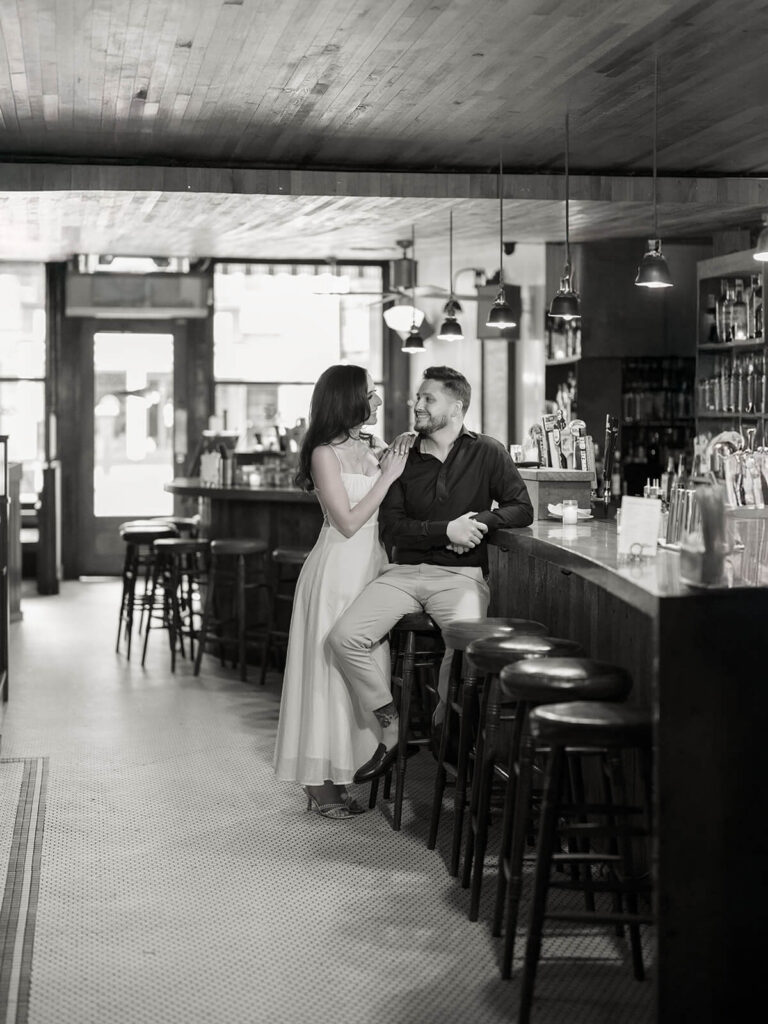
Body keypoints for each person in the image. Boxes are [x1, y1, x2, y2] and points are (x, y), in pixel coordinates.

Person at [327, 365, 534, 783]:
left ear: (456, 407)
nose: (416, 405)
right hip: (402, 573)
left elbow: (521, 508)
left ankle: (446, 732)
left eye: (428, 399)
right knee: (343, 637)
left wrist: (477, 522)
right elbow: (392, 526)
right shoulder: (401, 455)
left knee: (464, 649)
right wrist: (446, 530)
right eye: (418, 398)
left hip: (460, 577)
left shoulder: (488, 452)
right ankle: (391, 725)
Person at [272, 364, 412, 819]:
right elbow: (348, 521)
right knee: (327, 675)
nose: (376, 402)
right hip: (335, 570)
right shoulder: (322, 453)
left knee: (365, 668)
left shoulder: (372, 445)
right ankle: (319, 781)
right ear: (347, 399)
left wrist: (398, 460)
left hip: (370, 568)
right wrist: (388, 476)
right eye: (369, 394)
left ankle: (352, 765)